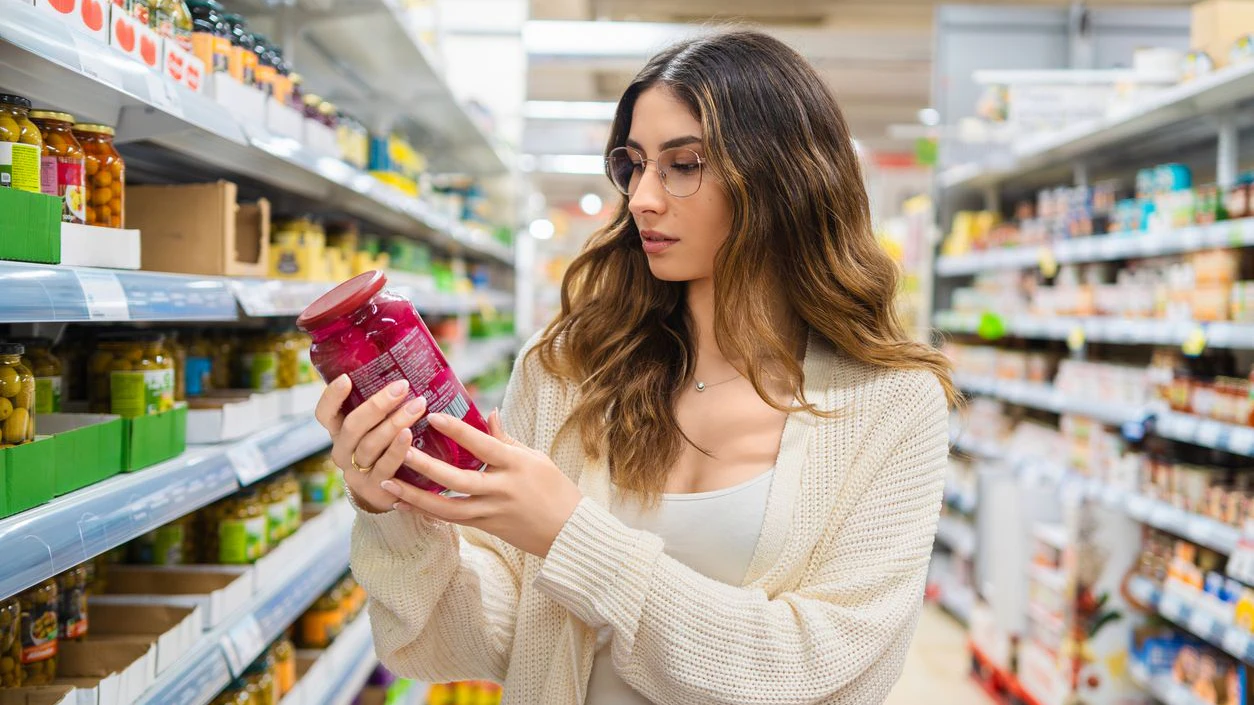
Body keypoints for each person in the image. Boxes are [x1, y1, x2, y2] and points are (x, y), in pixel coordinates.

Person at [315, 29, 957, 705]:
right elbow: (477, 642)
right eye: (635, 165)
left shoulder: (892, 404)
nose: (642, 198)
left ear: (782, 177)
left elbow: (826, 669)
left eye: (684, 165)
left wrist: (572, 535)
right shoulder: (567, 370)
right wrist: (393, 511)